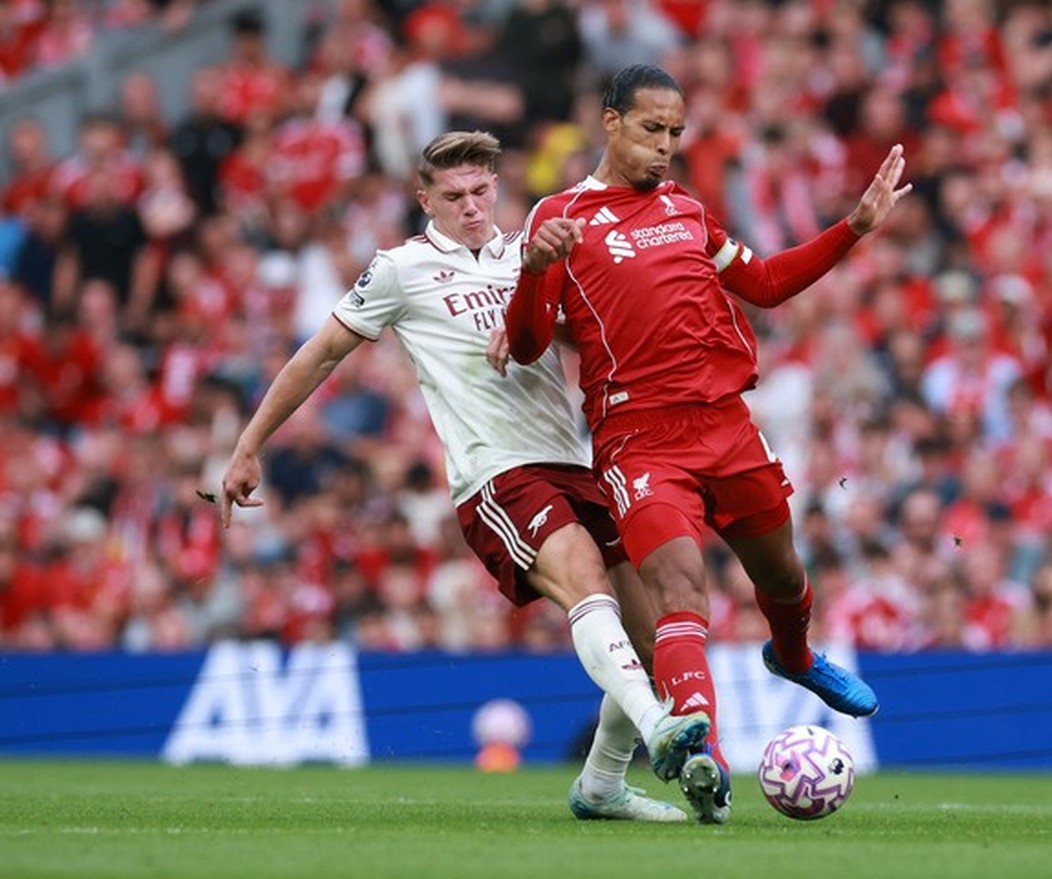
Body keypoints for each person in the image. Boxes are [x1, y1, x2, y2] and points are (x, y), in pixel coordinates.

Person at [219, 130, 709, 821]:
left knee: (653, 635)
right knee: (582, 576)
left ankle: (600, 785)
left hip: (572, 462)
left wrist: (548, 315)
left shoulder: (530, 252)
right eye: (455, 196)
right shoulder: (400, 268)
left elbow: (589, 334)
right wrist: (249, 444)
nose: (472, 206)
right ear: (426, 199)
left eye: (481, 191)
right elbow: (321, 354)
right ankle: (660, 733)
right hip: (496, 472)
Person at [502, 65, 911, 824]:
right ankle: (704, 758)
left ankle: (792, 656)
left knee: (783, 576)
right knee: (680, 591)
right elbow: (527, 345)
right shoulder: (560, 217)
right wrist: (532, 271)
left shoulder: (688, 211)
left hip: (725, 425)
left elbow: (763, 282)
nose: (665, 147)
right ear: (611, 122)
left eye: (676, 134)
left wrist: (853, 228)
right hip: (638, 439)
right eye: (652, 130)